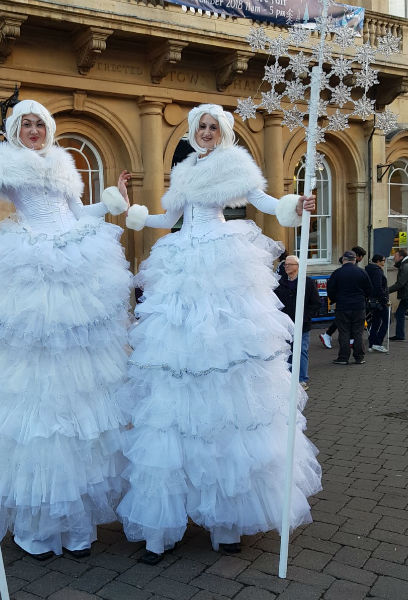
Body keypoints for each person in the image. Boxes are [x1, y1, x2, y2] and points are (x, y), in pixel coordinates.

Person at [0, 100, 131, 560]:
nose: (34, 130)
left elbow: (80, 213)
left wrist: (112, 201)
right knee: (38, 390)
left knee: (80, 389)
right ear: (14, 129)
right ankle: (38, 529)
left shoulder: (62, 162)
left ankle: (76, 528)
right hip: (33, 271)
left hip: (74, 266)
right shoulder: (2, 162)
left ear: (49, 129)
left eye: (40, 124)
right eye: (26, 124)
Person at [115, 103, 322, 564]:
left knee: (226, 381)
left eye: (213, 127)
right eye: (201, 126)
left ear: (223, 132)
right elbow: (169, 220)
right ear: (193, 131)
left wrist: (295, 205)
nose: (206, 132)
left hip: (222, 264)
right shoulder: (185, 168)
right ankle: (162, 524)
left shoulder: (234, 164)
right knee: (175, 380)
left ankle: (227, 520)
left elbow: (264, 202)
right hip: (183, 261)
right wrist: (134, 214)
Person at [274, 255, 321, 390]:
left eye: (289, 264)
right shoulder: (280, 283)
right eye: (285, 264)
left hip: (302, 324)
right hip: (285, 324)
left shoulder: (307, 283)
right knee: (286, 351)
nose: (286, 266)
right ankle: (288, 378)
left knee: (300, 351)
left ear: (297, 266)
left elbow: (316, 303)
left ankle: (301, 379)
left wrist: (305, 317)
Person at [326, 250, 373, 365]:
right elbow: (369, 289)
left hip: (343, 306)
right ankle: (359, 357)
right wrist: (363, 298)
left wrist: (335, 299)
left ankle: (343, 357)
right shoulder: (361, 272)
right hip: (359, 306)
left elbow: (330, 290)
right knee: (358, 332)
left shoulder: (337, 273)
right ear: (355, 260)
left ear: (343, 259)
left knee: (344, 332)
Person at [319, 245, 366, 349]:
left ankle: (333, 339)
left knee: (342, 321)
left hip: (344, 301)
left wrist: (335, 298)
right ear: (357, 256)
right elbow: (367, 287)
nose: (361, 259)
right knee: (347, 326)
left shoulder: (341, 270)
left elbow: (331, 288)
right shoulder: (356, 270)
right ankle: (345, 345)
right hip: (352, 302)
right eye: (361, 257)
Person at [365, 254, 390, 352]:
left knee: (376, 322)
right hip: (379, 301)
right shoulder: (377, 271)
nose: (384, 263)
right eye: (383, 261)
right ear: (378, 261)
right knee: (386, 321)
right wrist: (384, 299)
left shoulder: (368, 269)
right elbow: (378, 287)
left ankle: (372, 343)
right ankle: (377, 343)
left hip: (372, 300)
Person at [389, 248, 408, 341]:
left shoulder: (405, 266)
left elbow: (400, 283)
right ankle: (400, 335)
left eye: (395, 256)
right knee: (399, 314)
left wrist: (387, 290)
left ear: (401, 257)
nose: (393, 258)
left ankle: (400, 335)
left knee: (399, 314)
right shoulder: (404, 265)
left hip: (407, 295)